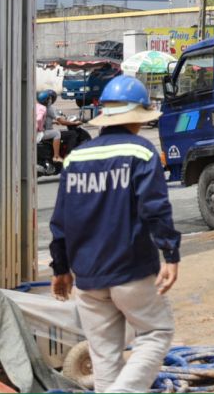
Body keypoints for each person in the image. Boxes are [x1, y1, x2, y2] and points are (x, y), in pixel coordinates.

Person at [49, 76, 180, 394]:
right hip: (130, 270)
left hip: (88, 278)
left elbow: (60, 221)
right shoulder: (141, 152)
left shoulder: (76, 158)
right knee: (157, 332)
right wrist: (171, 254)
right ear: (137, 117)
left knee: (104, 357)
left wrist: (60, 268)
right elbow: (155, 209)